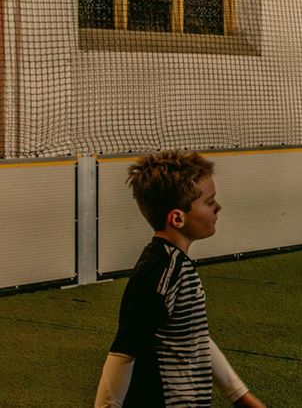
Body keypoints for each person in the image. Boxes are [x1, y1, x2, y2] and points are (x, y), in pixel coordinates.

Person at [95, 151, 266, 408]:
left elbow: (194, 337)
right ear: (177, 218)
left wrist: (240, 396)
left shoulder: (177, 263)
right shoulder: (160, 272)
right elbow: (124, 352)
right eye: (209, 202)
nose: (218, 208)